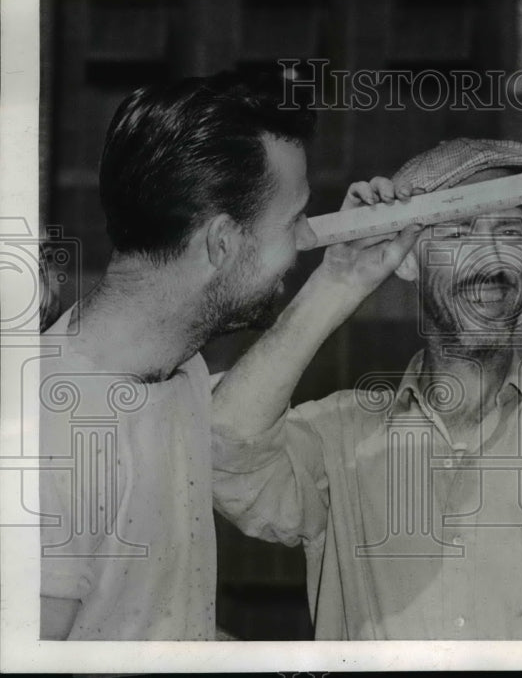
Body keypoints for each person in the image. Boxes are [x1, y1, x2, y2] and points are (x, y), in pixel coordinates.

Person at [211, 137, 522, 639]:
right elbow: (223, 454)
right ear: (406, 261)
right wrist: (336, 284)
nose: (491, 258)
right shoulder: (338, 437)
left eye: (510, 231)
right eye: (458, 232)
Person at [38, 71, 418, 639]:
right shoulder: (53, 436)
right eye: (293, 221)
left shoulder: (175, 370)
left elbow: (150, 630)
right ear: (221, 243)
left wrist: (341, 278)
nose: (309, 239)